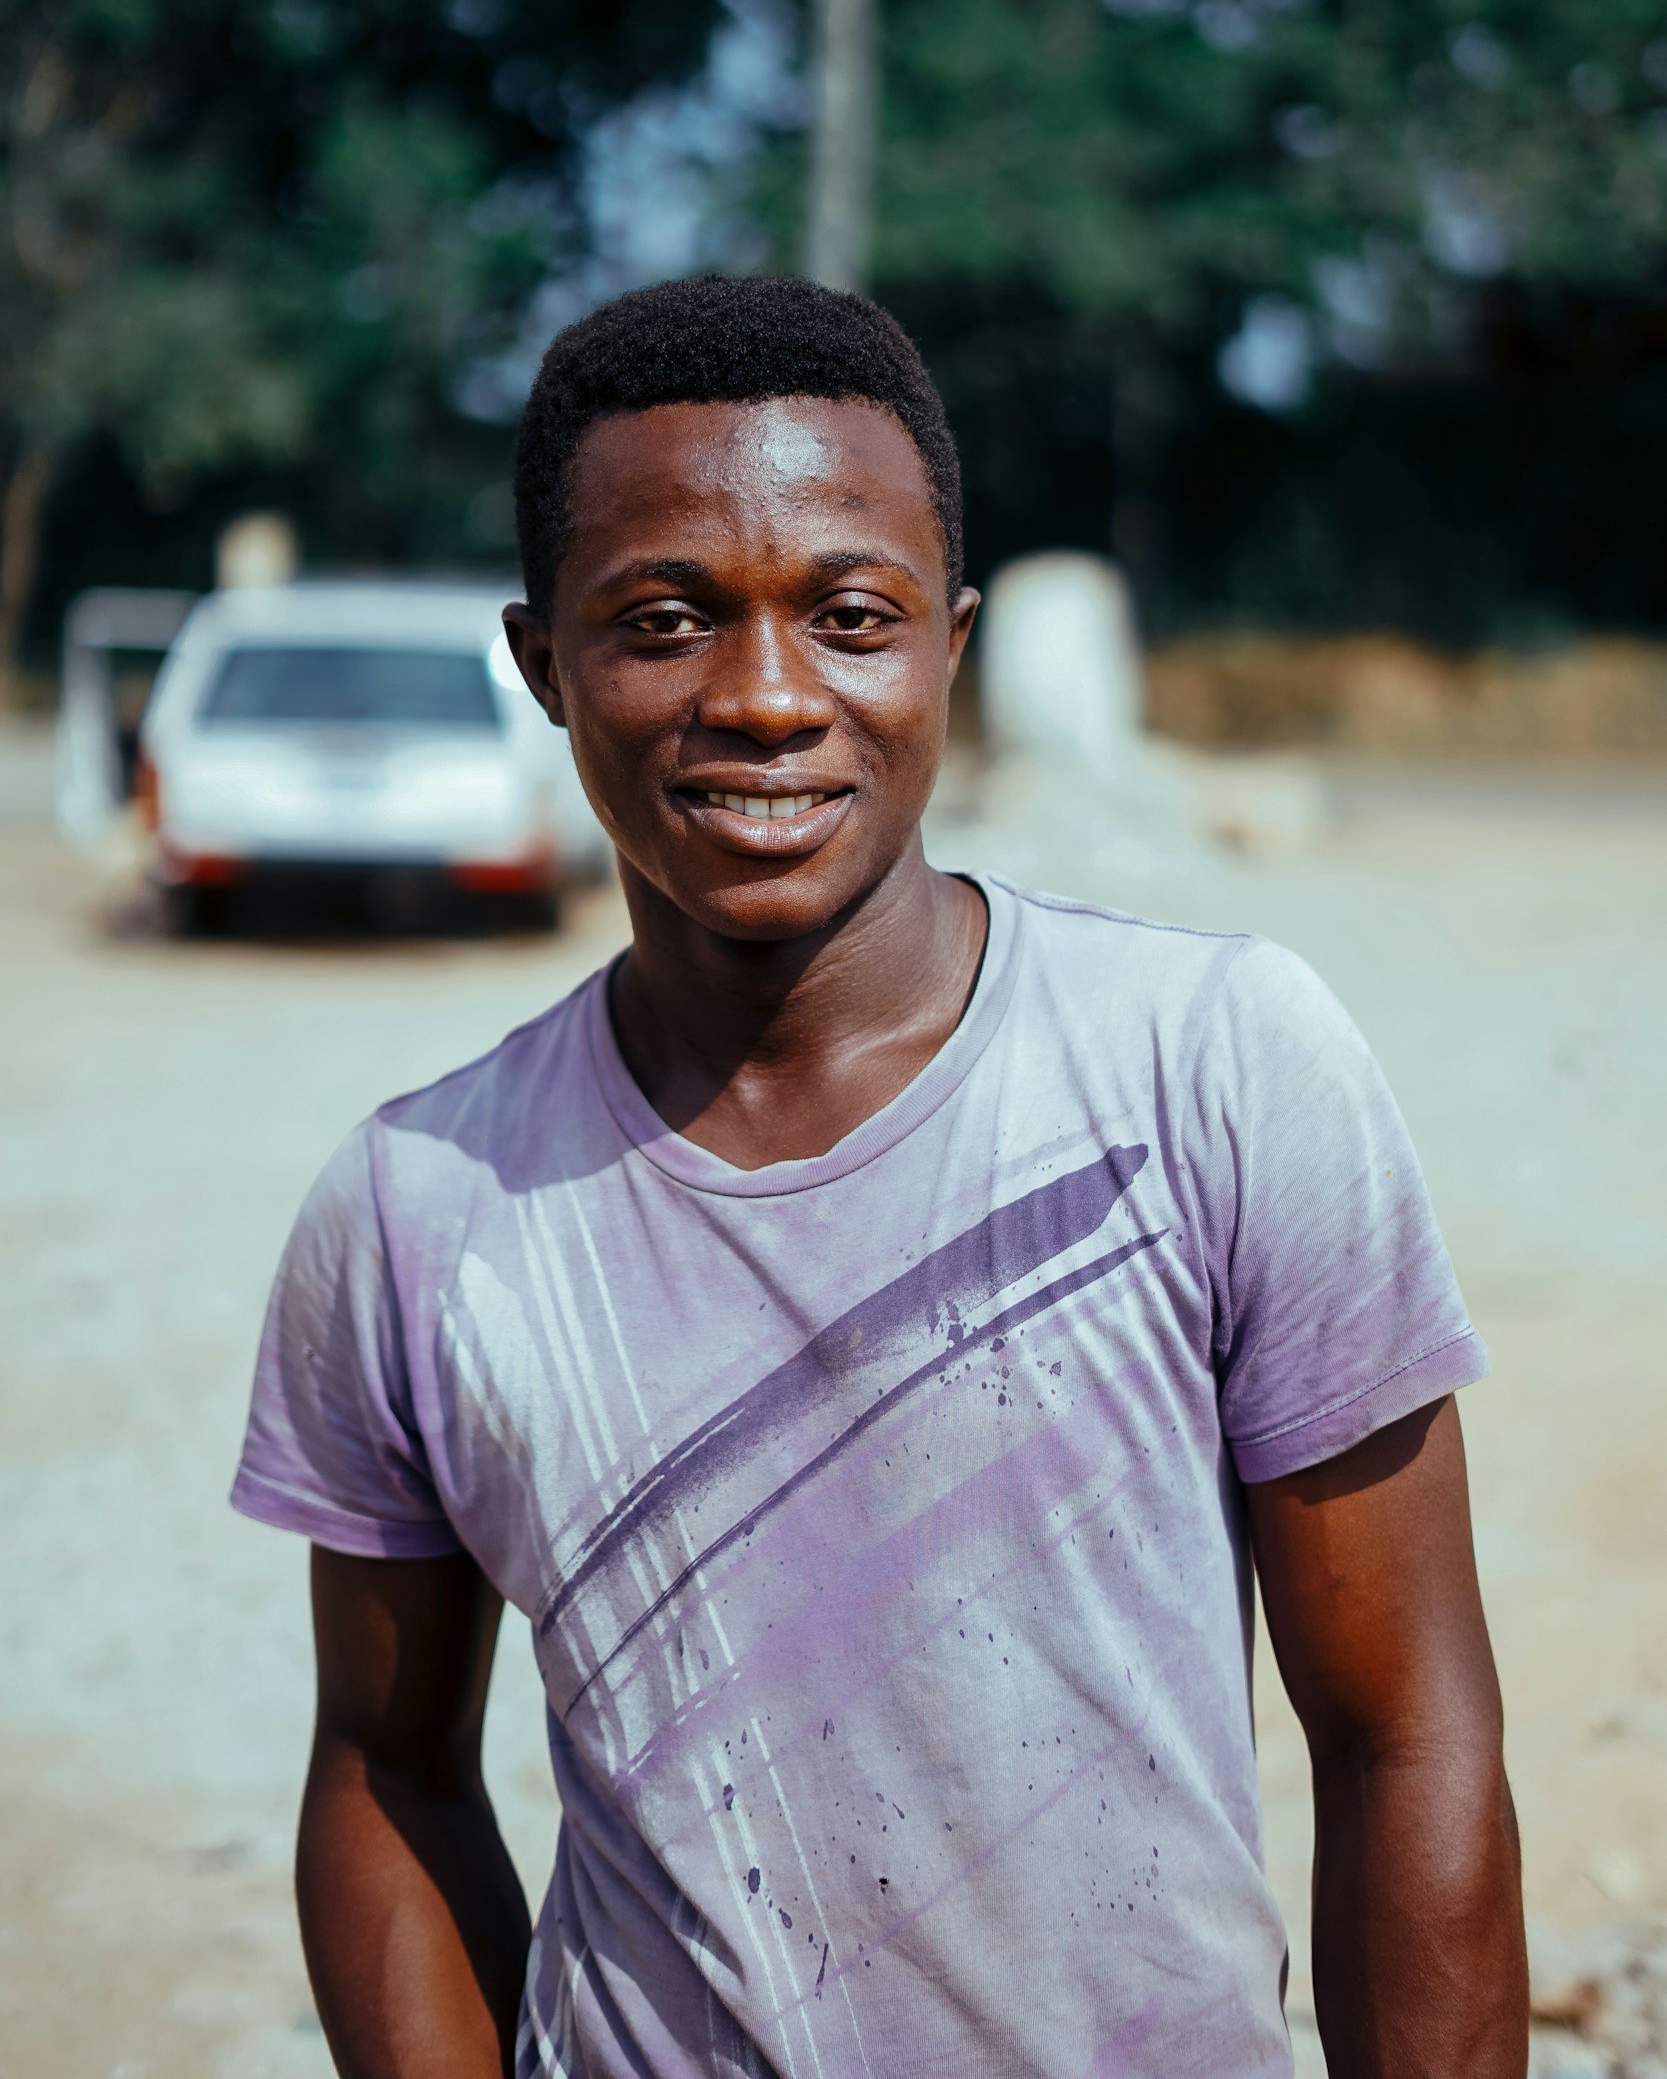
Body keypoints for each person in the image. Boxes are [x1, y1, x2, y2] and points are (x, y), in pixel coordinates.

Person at [232, 273, 1527, 2079]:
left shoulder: (1215, 1068)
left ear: (949, 647)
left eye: (851, 618)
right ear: (542, 667)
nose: (768, 698)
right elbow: (386, 1767)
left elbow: (1404, 1732)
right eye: (664, 621)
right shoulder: (414, 1208)